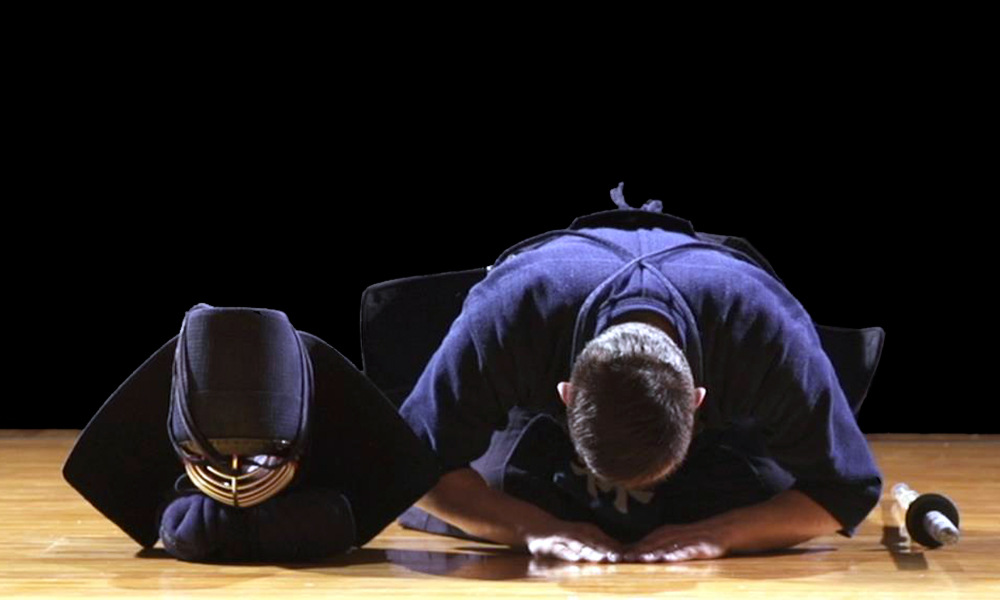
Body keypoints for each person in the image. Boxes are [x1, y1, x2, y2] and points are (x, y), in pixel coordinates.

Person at [395, 183, 884, 563]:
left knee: (749, 501)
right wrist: (531, 529)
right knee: (502, 494)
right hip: (540, 429)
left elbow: (845, 487)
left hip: (723, 437)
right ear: (566, 394)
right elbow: (414, 468)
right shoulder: (511, 312)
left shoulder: (761, 329)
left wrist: (723, 534)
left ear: (696, 399)